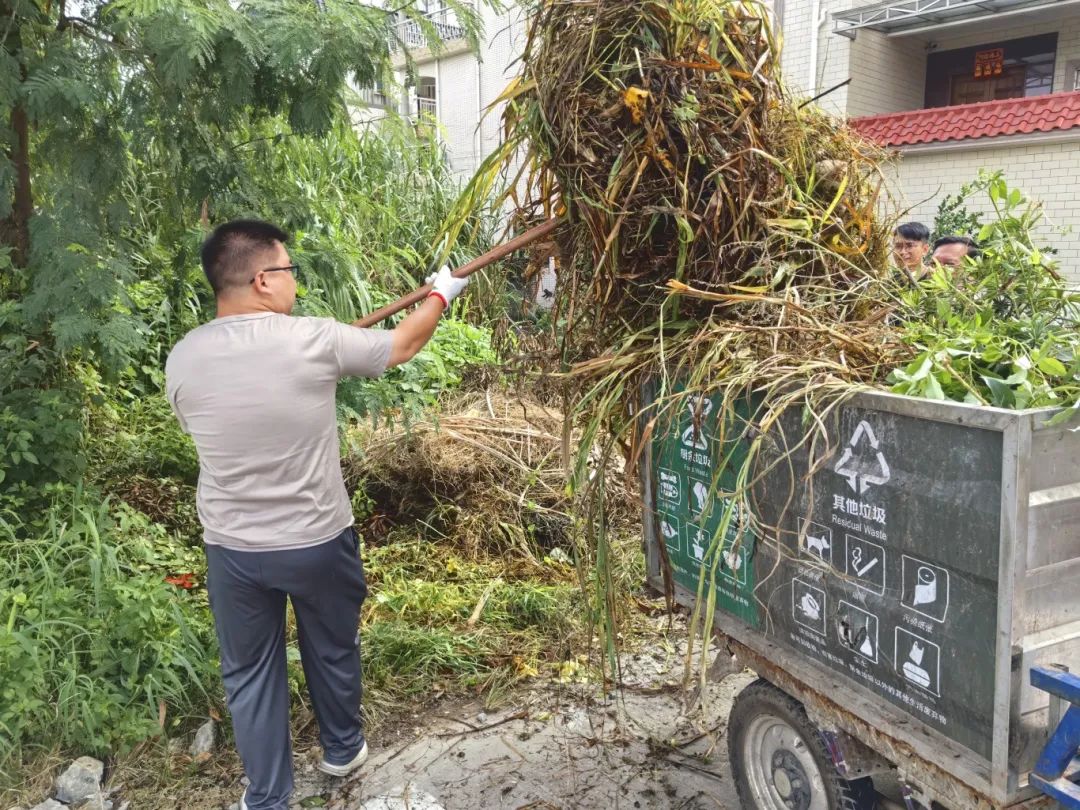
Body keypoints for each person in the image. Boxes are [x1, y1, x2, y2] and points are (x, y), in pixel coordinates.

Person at [165, 220, 469, 810]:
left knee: (249, 673)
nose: (294, 283)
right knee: (330, 646)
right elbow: (402, 346)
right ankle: (342, 748)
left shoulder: (184, 357)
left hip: (232, 550)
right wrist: (440, 294)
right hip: (315, 541)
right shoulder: (315, 339)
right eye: (289, 271)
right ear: (262, 279)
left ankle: (267, 797)